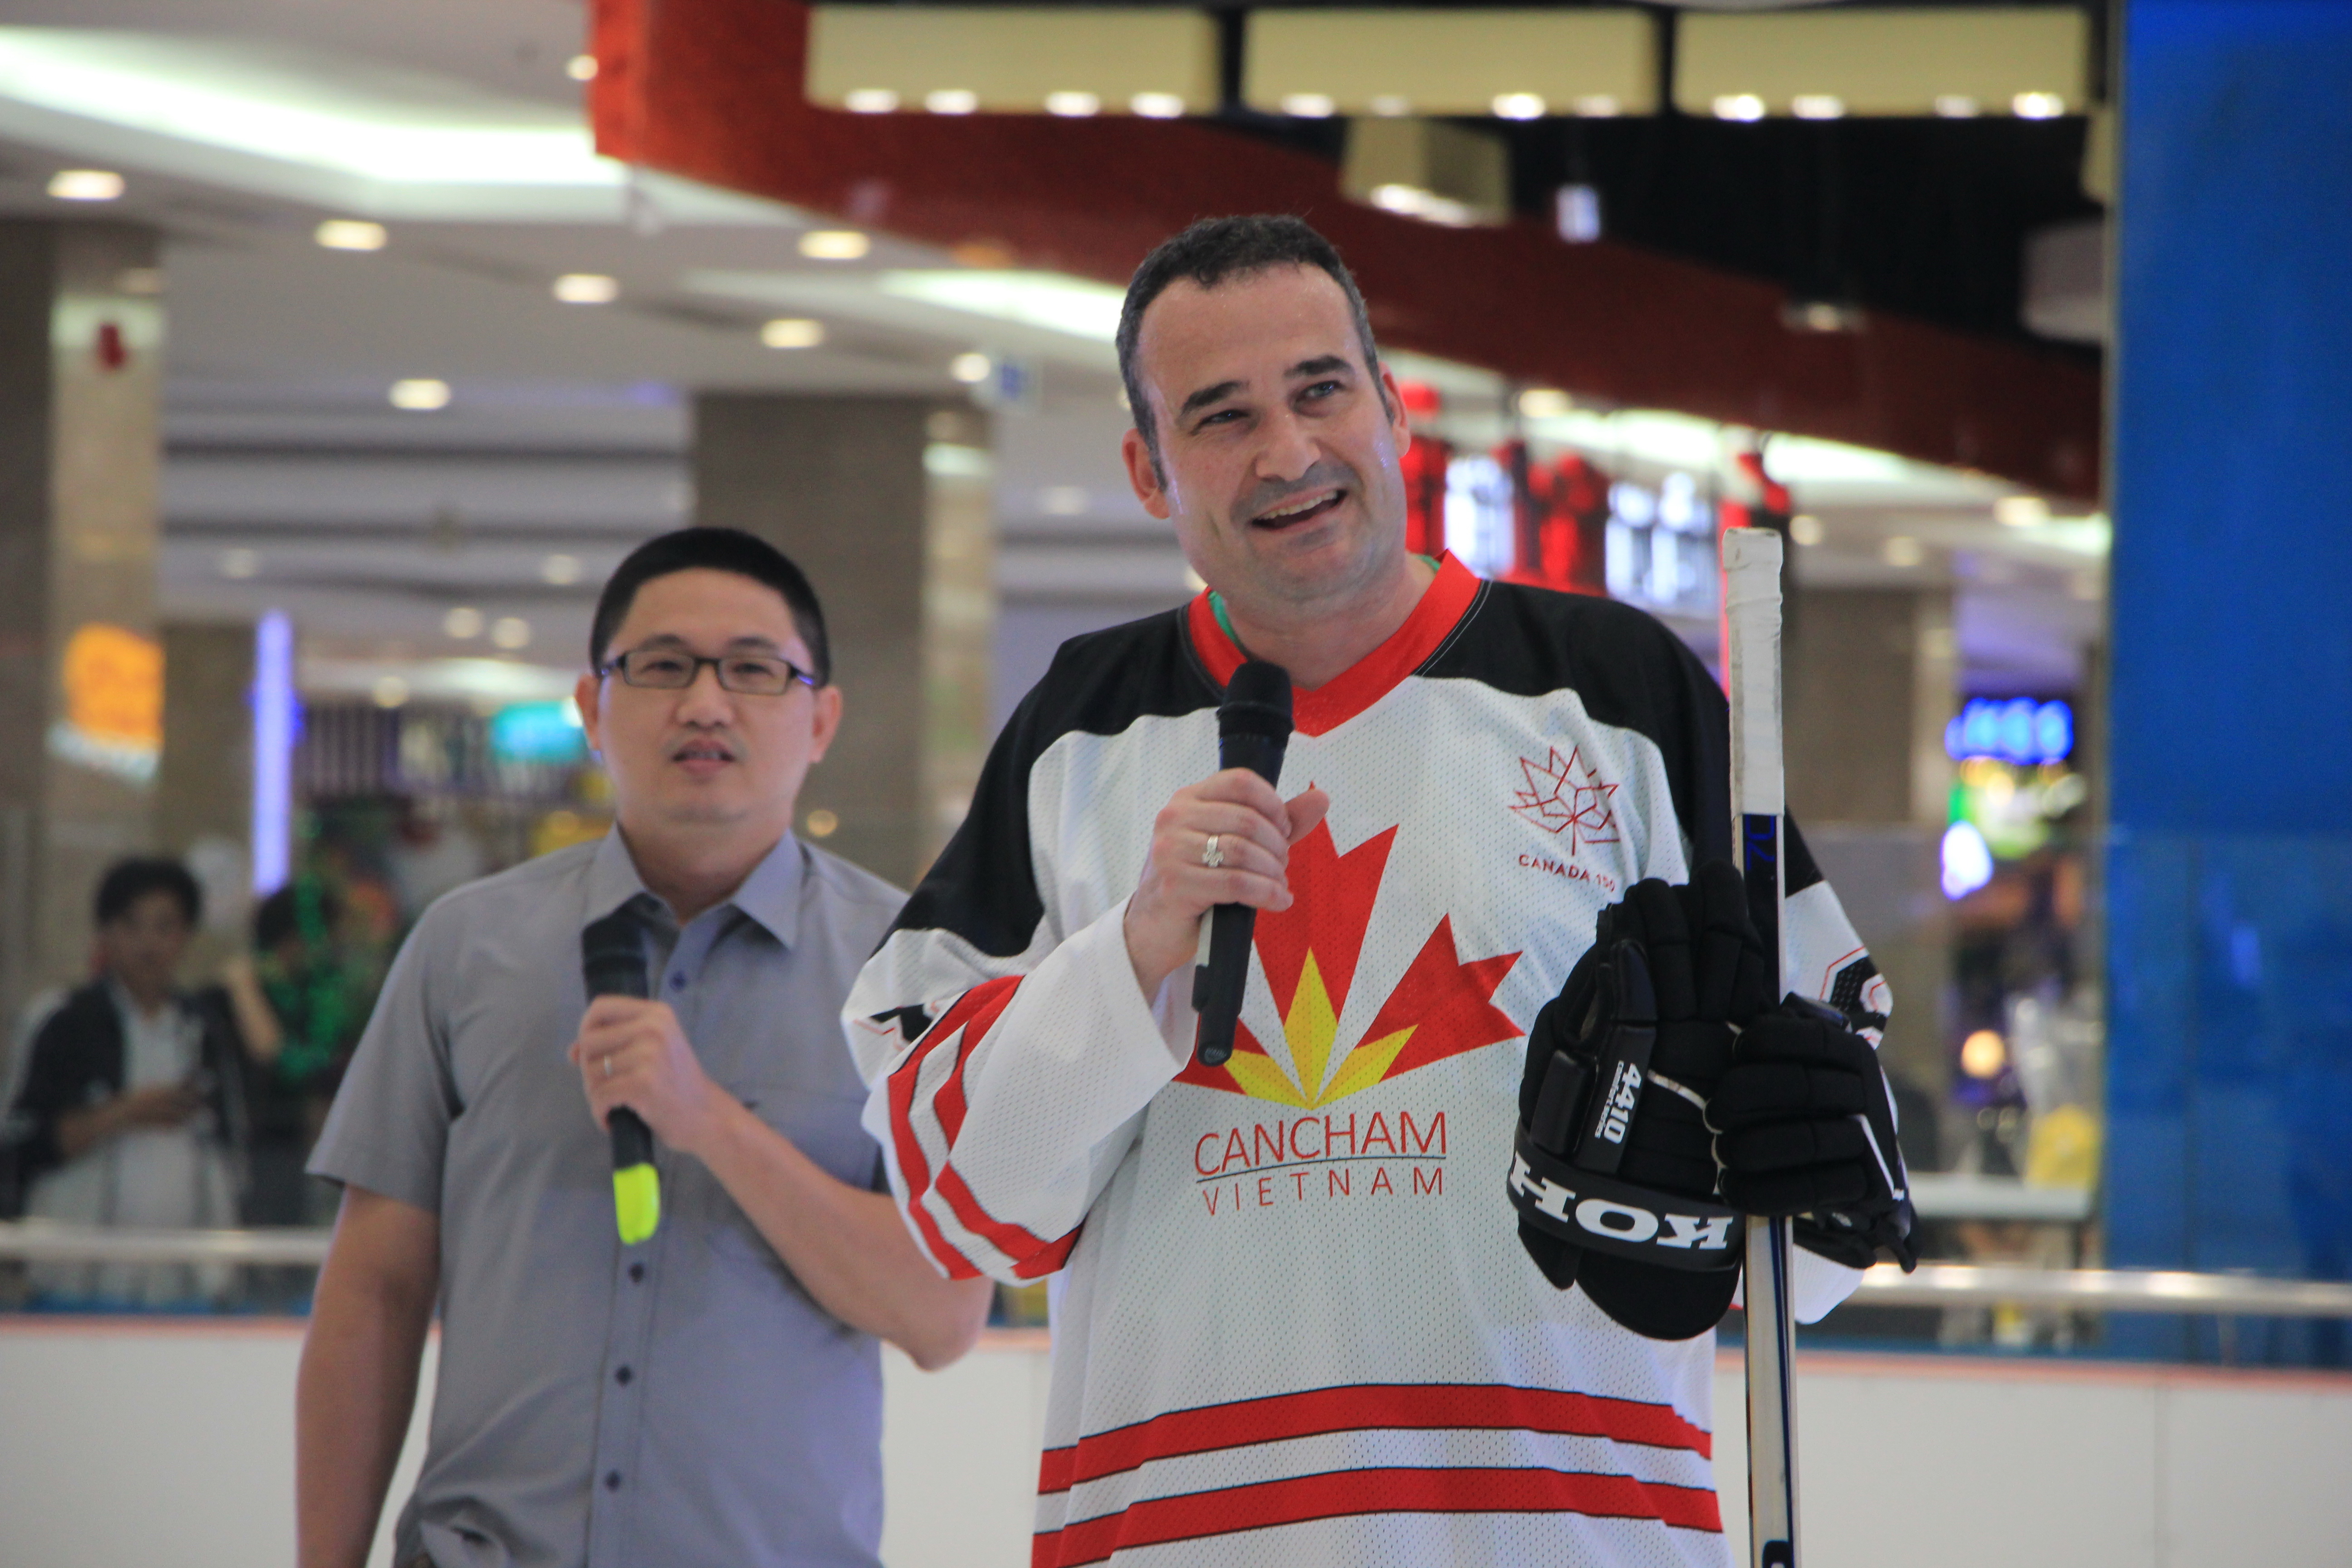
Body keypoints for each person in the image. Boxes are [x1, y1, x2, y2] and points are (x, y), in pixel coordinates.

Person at [846, 216, 1906, 1565]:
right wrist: (1139, 947)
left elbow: (1825, 1204)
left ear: (1392, 407)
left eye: (1319, 389)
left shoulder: (1619, 698)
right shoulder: (1079, 732)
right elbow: (966, 1207)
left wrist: (1759, 1170)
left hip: (1572, 1538)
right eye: (1221, 416)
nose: (1287, 453)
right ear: (1146, 469)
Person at [298, 527, 994, 1568]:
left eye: (754, 670)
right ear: (592, 707)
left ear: (821, 719)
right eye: (661, 665)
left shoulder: (911, 972)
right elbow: (374, 1289)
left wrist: (707, 1118)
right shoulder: (465, 946)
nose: (704, 702)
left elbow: (941, 1312)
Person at [6, 857, 248, 1305]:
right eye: (132, 926)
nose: (148, 944)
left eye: (165, 927)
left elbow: (230, 1151)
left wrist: (224, 1269)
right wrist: (121, 1114)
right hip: (75, 1282)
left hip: (181, 1285)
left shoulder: (204, 1028)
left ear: (186, 936)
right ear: (106, 933)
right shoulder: (63, 1021)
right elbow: (23, 1142)